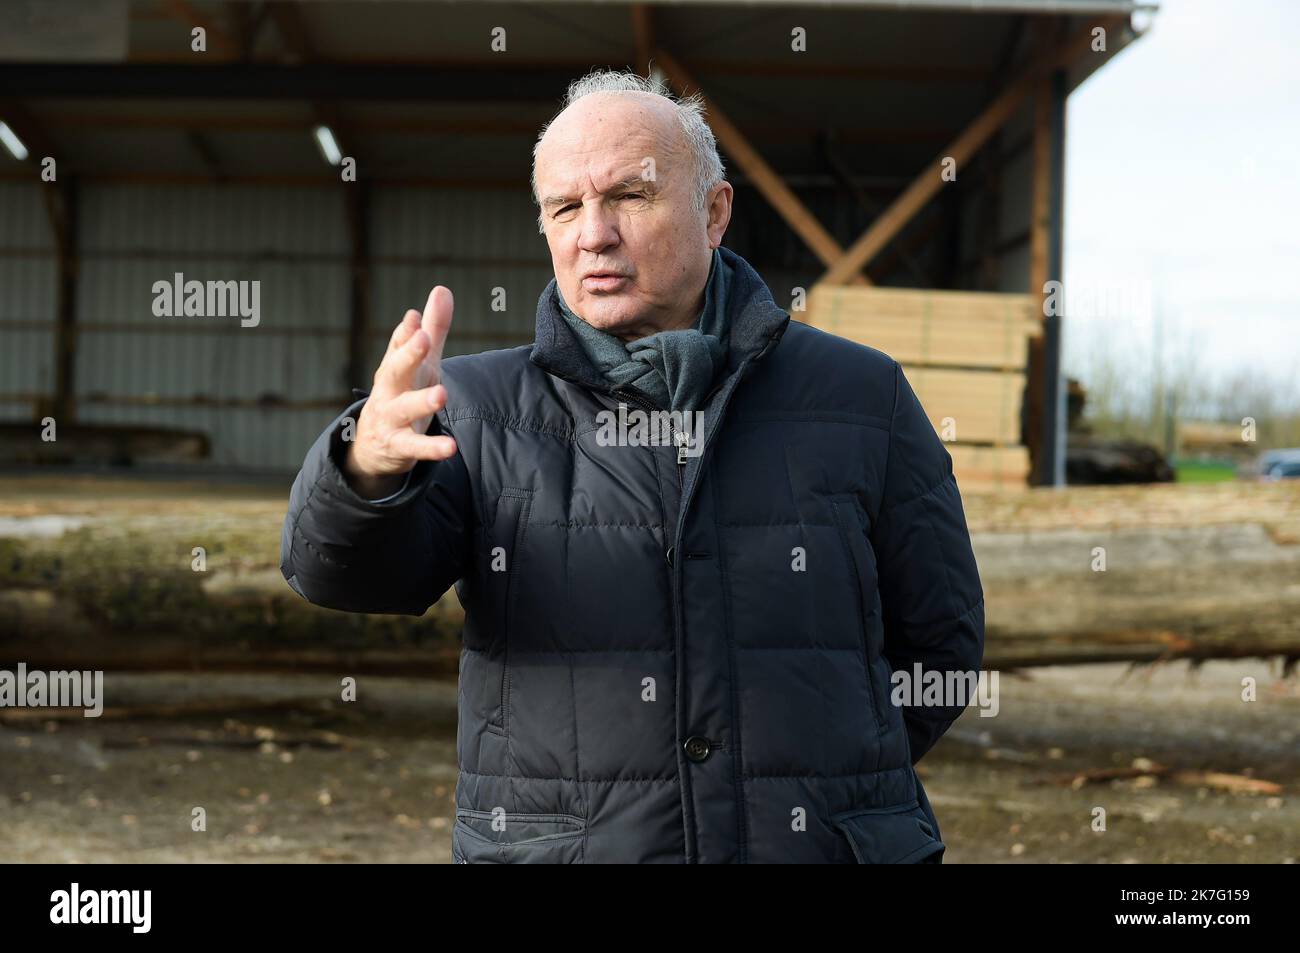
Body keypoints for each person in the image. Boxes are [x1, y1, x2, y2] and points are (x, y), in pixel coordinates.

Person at [281, 69, 984, 863]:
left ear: (714, 212)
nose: (594, 234)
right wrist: (366, 468)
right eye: (565, 207)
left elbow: (943, 643)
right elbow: (341, 576)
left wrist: (824, 785)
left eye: (629, 196)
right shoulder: (477, 407)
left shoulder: (860, 394)